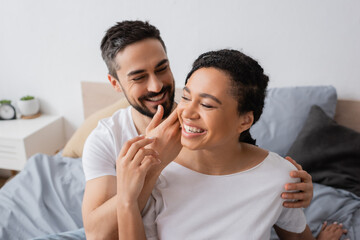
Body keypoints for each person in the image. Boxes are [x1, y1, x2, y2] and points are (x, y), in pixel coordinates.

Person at [81, 21, 314, 239]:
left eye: (162, 69)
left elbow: (238, 162)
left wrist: (291, 182)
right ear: (115, 84)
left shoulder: (201, 131)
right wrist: (150, 172)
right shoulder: (106, 139)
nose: (157, 86)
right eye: (139, 77)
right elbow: (99, 235)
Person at [116, 49, 348, 239]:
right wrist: (129, 196)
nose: (187, 112)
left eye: (207, 105)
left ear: (244, 120)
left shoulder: (280, 176)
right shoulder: (156, 166)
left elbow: (296, 237)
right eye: (186, 97)